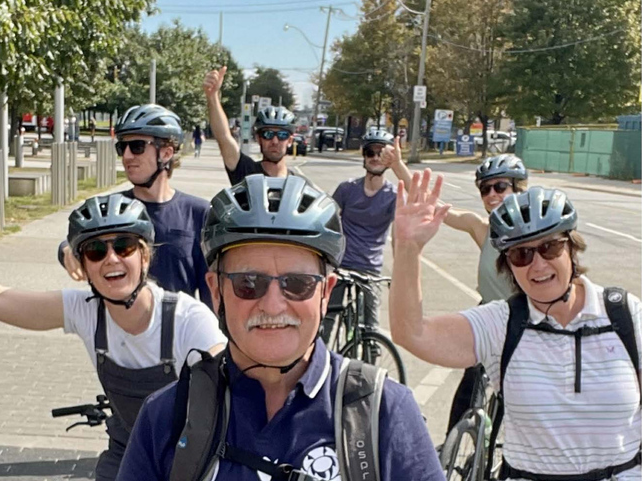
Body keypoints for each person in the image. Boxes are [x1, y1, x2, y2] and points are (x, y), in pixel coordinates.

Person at [117, 174, 445, 481]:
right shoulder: (166, 416)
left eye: (298, 283)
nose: (273, 305)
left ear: (326, 292)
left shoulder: (383, 412)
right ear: (216, 291)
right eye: (248, 283)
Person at [0, 171, 227, 481]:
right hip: (127, 452)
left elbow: (234, 384)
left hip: (189, 455)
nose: (111, 258)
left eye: (124, 246)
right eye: (96, 251)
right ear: (83, 266)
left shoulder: (187, 319)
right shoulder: (85, 311)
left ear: (145, 257)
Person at [390, 172, 641, 480]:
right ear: (507, 265)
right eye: (522, 254)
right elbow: (411, 333)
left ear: (571, 249)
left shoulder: (625, 315)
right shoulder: (503, 322)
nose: (538, 264)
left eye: (550, 248)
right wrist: (408, 249)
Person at [58, 104, 213, 308]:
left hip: (178, 332)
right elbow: (72, 242)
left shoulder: (198, 213)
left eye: (137, 146)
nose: (127, 156)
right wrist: (68, 249)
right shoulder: (113, 208)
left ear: (166, 153)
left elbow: (210, 295)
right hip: (118, 333)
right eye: (122, 147)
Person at [438, 154, 529, 431]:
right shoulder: (482, 228)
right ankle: (450, 455)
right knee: (469, 386)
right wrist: (397, 167)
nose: (491, 195)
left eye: (500, 187)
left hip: (523, 317)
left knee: (513, 397)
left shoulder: (532, 233)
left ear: (518, 189)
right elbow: (442, 211)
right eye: (485, 189)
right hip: (489, 311)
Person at [323, 130, 410, 339]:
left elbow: (398, 237)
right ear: (363, 155)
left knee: (371, 330)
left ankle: (369, 360)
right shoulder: (346, 189)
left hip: (370, 269)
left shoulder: (394, 196)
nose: (375, 158)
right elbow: (327, 224)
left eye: (381, 153)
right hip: (340, 265)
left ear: (389, 161)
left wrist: (400, 273)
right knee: (325, 322)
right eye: (370, 152)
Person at [203, 66, 301, 185]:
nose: (275, 141)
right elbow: (224, 137)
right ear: (258, 139)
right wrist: (212, 97)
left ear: (290, 140)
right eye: (268, 134)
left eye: (282, 135)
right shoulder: (246, 171)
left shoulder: (299, 186)